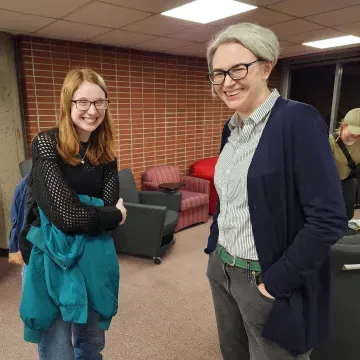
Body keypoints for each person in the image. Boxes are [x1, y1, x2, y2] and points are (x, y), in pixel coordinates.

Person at [204, 23, 347, 360]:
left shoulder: (298, 121)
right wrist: (214, 247)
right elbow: (230, 198)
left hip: (266, 276)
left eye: (238, 68)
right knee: (234, 353)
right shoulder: (233, 127)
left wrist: (274, 284)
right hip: (222, 268)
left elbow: (328, 219)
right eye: (218, 73)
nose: (227, 82)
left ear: (267, 65)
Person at [19, 68, 127, 360]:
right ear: (68, 104)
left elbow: (101, 204)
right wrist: (113, 215)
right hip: (48, 256)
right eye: (83, 102)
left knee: (92, 343)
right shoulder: (46, 144)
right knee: (58, 350)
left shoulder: (106, 151)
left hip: (90, 255)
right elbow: (67, 218)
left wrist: (89, 211)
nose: (92, 110)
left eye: (99, 102)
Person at [329, 108, 360, 220]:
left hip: (347, 184)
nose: (357, 135)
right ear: (344, 125)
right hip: (329, 186)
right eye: (354, 130)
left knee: (345, 216)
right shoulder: (330, 142)